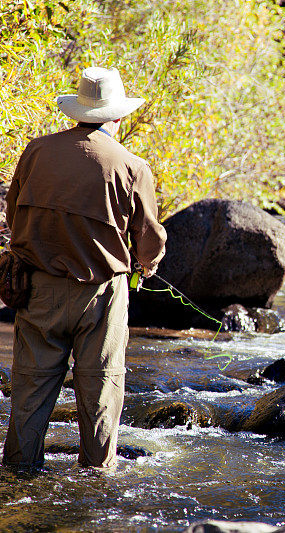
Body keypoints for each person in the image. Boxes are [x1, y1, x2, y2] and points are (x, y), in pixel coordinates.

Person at [2, 66, 167, 472]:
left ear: (76, 110)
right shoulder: (132, 167)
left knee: (30, 392)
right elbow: (149, 238)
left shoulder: (36, 151)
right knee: (100, 392)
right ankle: (95, 482)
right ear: (118, 115)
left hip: (38, 289)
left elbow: (13, 214)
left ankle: (18, 479)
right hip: (102, 297)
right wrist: (147, 265)